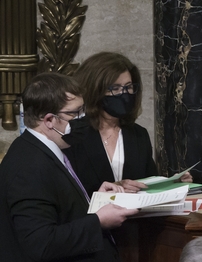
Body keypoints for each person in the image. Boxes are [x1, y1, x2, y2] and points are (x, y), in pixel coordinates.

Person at [0, 72, 138, 262]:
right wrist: (98, 222)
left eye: (83, 110)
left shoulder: (39, 149)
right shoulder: (29, 166)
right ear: (49, 120)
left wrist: (94, 201)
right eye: (74, 113)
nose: (82, 118)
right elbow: (41, 243)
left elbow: (59, 208)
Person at [63, 52, 191, 193]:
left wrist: (171, 184)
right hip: (94, 214)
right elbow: (66, 193)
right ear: (95, 91)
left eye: (128, 87)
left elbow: (148, 184)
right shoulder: (74, 135)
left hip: (135, 214)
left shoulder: (138, 134)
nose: (124, 94)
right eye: (115, 88)